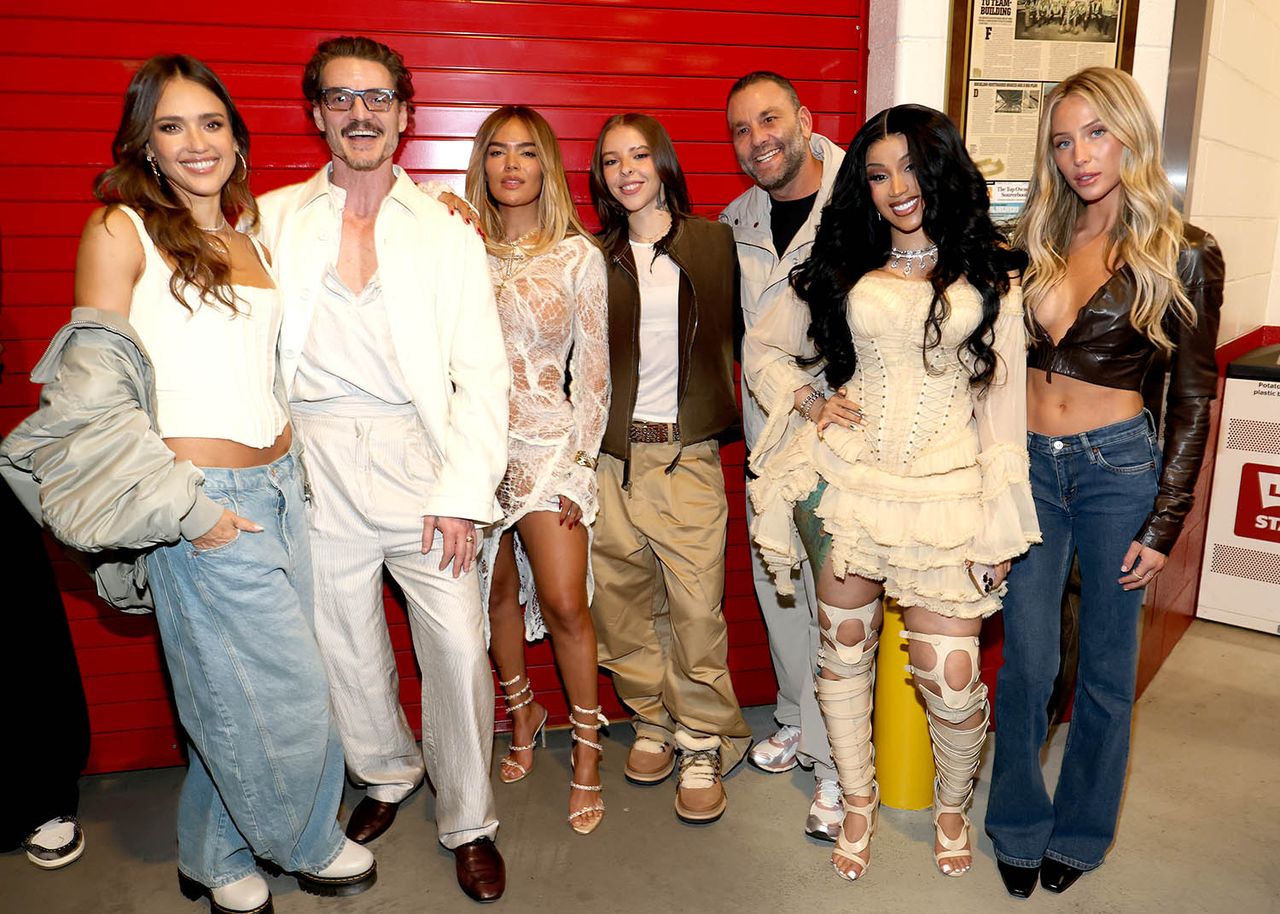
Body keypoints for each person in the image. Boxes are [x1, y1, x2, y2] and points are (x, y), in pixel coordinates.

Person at [0, 54, 376, 914]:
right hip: (202, 502)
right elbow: (91, 396)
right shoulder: (119, 227)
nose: (195, 142)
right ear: (146, 143)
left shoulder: (251, 233)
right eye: (172, 126)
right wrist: (187, 511)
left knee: (224, 693)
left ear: (238, 141)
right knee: (286, 696)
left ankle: (211, 856)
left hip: (282, 488)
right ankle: (310, 840)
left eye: (212, 123)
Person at [745, 104, 1040, 881]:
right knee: (842, 656)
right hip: (850, 480)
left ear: (941, 170)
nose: (895, 188)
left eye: (910, 168)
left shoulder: (994, 275)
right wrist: (809, 400)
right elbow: (762, 345)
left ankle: (951, 803)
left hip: (947, 494)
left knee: (951, 679)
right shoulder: (844, 265)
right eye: (877, 174)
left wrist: (999, 526)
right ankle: (859, 799)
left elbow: (1002, 415)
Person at [252, 36, 510, 903]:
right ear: (318, 112)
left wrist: (463, 494)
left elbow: (482, 373)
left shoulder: (444, 228)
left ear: (403, 114)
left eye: (376, 99)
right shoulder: (272, 217)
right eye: (340, 98)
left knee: (458, 649)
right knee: (343, 643)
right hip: (315, 459)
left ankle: (469, 818)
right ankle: (387, 770)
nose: (359, 114)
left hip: (419, 456)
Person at [985, 67, 1223, 899]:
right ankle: (1016, 820)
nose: (1080, 155)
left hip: (1117, 468)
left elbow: (1194, 396)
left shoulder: (1184, 252)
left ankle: (1081, 832)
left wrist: (1166, 522)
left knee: (1106, 673)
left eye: (1096, 133)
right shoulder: (1032, 240)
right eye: (1062, 140)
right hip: (1029, 469)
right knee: (1027, 664)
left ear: (1130, 134)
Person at [587, 113, 752, 824]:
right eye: (612, 159)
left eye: (639, 155)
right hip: (613, 460)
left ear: (664, 163)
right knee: (622, 608)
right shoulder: (593, 256)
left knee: (694, 611)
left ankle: (704, 738)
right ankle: (654, 718)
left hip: (686, 457)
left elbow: (763, 329)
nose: (627, 169)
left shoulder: (716, 244)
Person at [459, 105, 610, 835]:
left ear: (546, 164)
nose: (511, 165)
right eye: (497, 151)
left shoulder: (579, 256)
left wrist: (580, 468)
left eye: (526, 151)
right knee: (491, 599)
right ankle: (524, 715)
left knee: (564, 601)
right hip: (477, 451)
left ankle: (587, 749)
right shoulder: (460, 250)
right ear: (482, 163)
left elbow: (597, 376)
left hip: (551, 447)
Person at [721, 70, 842, 841]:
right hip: (767, 428)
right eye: (740, 128)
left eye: (770, 119)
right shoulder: (738, 218)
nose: (758, 138)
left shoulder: (861, 193)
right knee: (780, 583)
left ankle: (836, 766)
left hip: (836, 427)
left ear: (802, 118)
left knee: (839, 598)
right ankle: (797, 719)